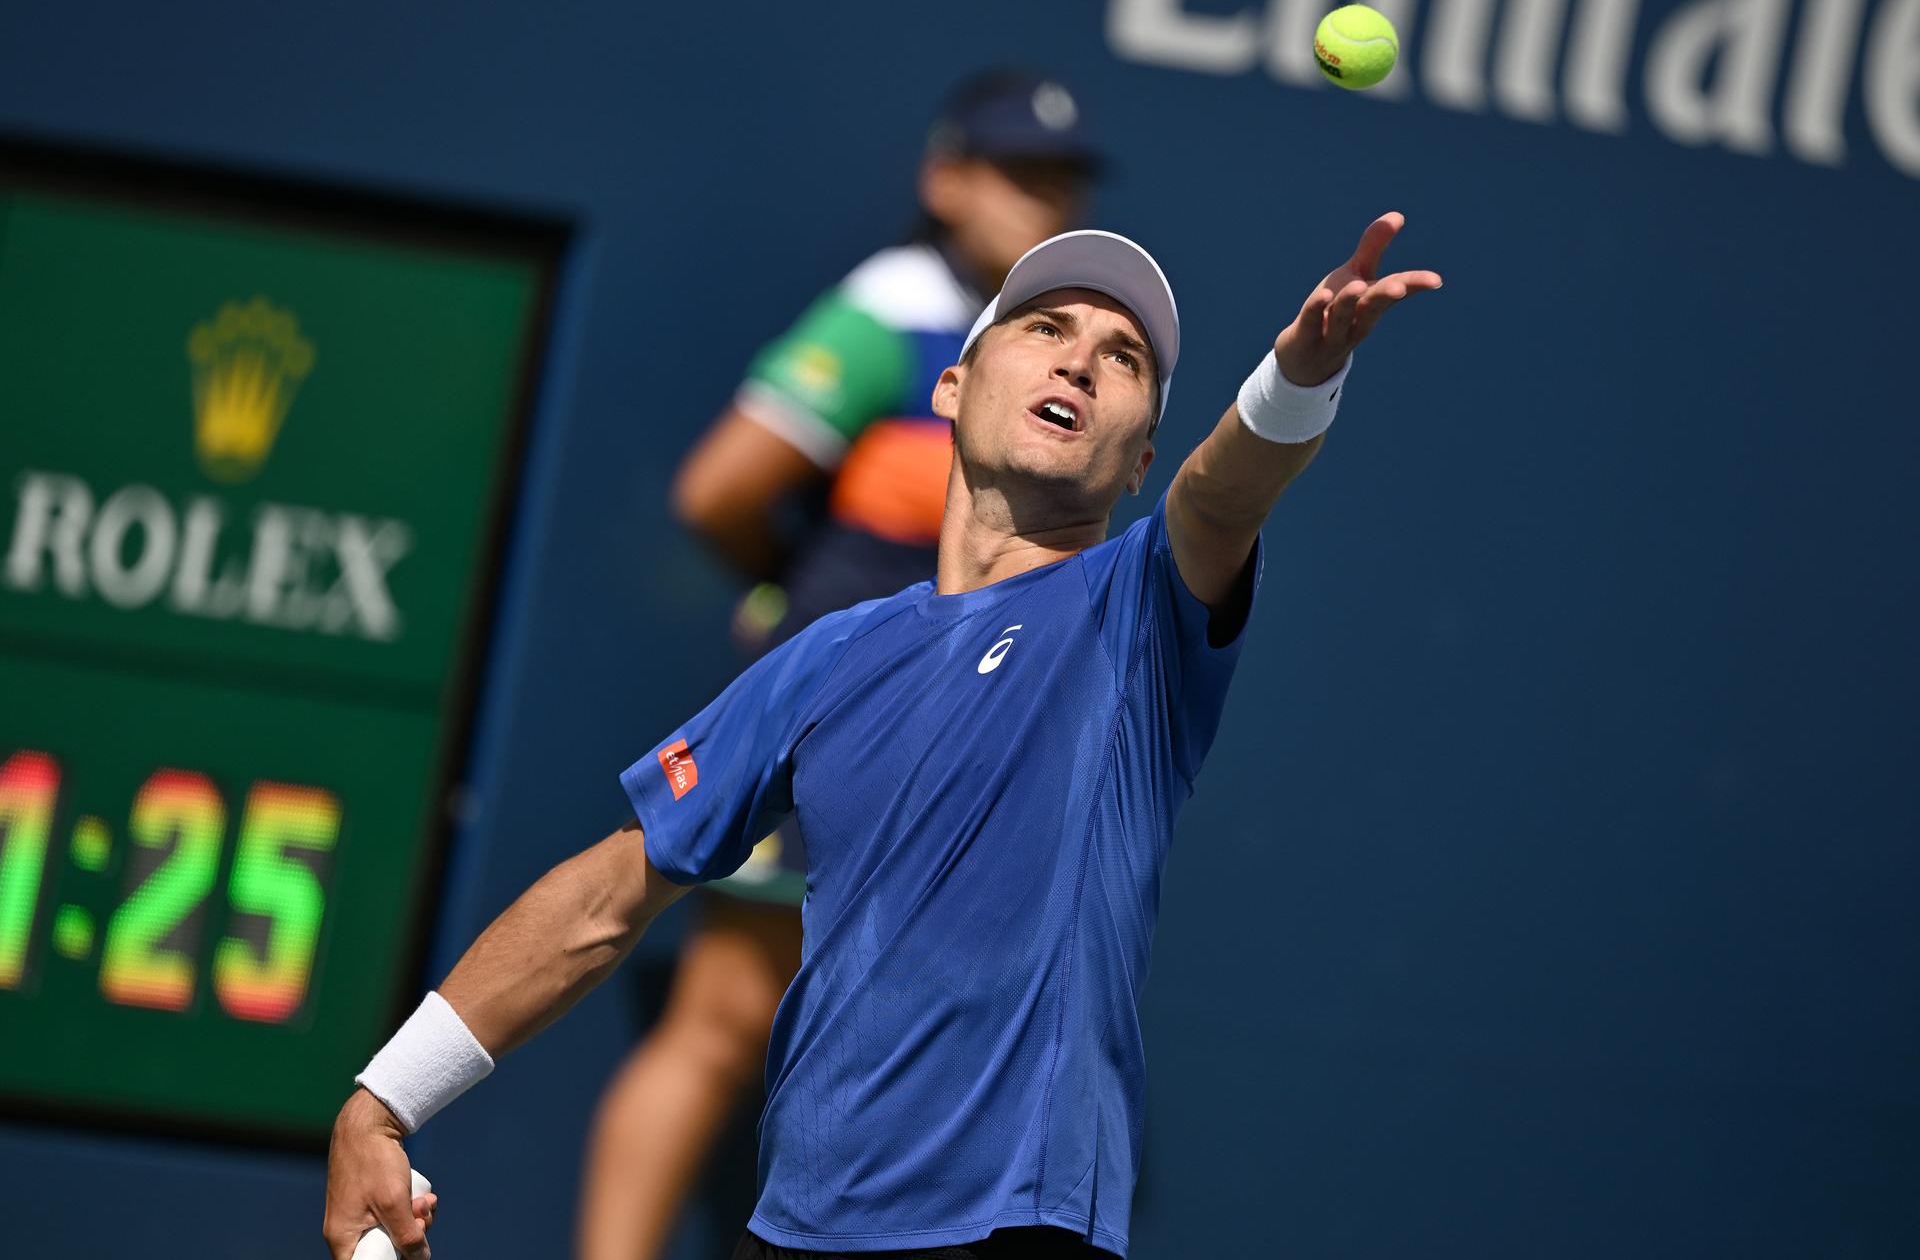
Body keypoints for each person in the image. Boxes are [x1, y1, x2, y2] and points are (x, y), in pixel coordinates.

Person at [322, 212, 1442, 1260]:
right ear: (954, 387)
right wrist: (385, 1101)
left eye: (1124, 358)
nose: (1080, 359)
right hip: (798, 1231)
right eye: (1046, 327)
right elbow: (606, 898)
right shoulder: (830, 657)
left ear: (1140, 458)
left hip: (1009, 1229)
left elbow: (1224, 496)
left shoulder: (1137, 611)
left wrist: (1299, 377)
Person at [577, 73, 1102, 1260]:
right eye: (1022, 175)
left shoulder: (1040, 347)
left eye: (1063, 184)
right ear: (945, 178)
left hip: (960, 744)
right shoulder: (897, 308)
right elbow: (720, 490)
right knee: (722, 1019)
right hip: (849, 725)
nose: (1045, 204)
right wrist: (794, 600)